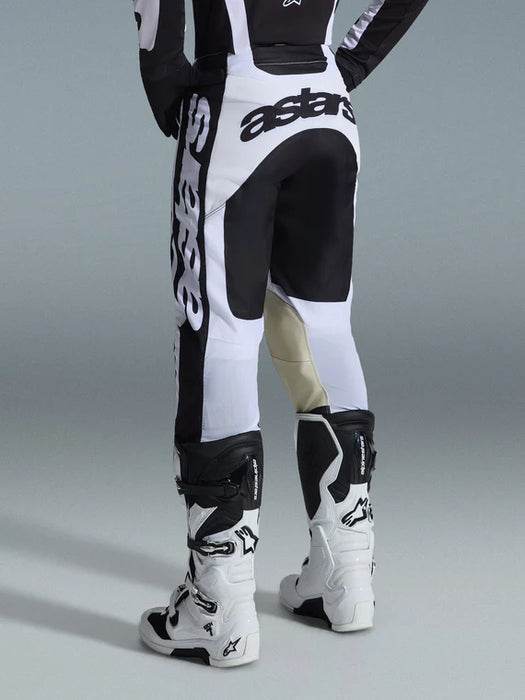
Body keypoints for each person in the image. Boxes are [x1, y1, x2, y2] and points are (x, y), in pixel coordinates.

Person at [132, 0, 428, 667]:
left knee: (218, 333)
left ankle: (217, 606)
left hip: (236, 98)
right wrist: (345, 65)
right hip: (325, 108)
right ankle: (346, 578)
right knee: (322, 326)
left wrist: (169, 85)